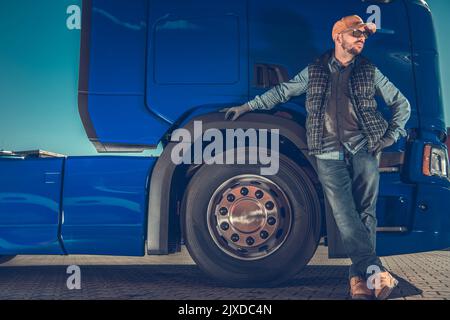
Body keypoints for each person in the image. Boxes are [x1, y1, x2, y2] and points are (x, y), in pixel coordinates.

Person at [220, 15, 411, 300]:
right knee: (345, 215)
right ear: (338, 37)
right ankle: (377, 274)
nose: (362, 38)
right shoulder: (315, 71)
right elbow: (283, 92)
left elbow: (401, 104)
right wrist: (248, 106)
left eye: (364, 35)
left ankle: (359, 281)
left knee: (365, 214)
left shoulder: (370, 70)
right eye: (356, 34)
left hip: (364, 149)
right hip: (326, 151)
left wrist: (390, 136)